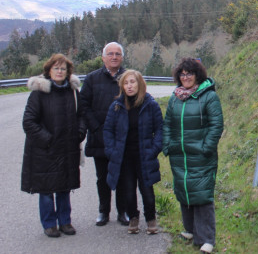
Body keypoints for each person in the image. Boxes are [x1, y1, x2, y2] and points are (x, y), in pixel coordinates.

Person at [21, 54, 86, 238]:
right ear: (49, 70)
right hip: (45, 150)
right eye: (56, 68)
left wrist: (79, 133)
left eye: (63, 68)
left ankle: (65, 221)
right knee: (47, 189)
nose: (59, 71)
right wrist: (48, 139)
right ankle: (49, 223)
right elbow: (29, 122)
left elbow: (81, 115)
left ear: (68, 72)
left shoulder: (72, 92)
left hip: (67, 148)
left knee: (65, 186)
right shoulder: (39, 93)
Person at [163, 58, 223, 254]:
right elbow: (168, 124)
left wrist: (206, 147)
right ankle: (190, 229)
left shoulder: (208, 97)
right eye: (182, 74)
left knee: (202, 193)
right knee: (184, 191)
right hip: (179, 154)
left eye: (189, 73)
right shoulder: (175, 98)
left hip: (201, 154)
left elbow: (216, 125)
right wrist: (168, 145)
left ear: (197, 75)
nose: (186, 77)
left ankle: (206, 238)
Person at [103, 70, 163, 235]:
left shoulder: (150, 104)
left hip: (144, 155)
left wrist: (154, 149)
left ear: (140, 84)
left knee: (147, 192)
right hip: (124, 157)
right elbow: (108, 131)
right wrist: (112, 151)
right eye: (126, 83)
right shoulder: (117, 106)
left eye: (132, 82)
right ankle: (133, 217)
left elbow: (160, 129)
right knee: (128, 192)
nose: (129, 86)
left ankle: (151, 218)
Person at [79, 41, 129, 226]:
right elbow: (83, 105)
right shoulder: (92, 79)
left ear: (122, 57)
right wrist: (96, 128)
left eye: (117, 54)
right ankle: (103, 211)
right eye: (110, 54)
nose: (114, 57)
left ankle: (122, 212)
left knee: (122, 176)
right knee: (103, 178)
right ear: (103, 57)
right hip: (99, 137)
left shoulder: (129, 77)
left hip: (123, 138)